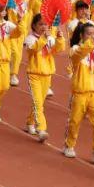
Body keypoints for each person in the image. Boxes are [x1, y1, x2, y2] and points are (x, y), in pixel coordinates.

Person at [65, 22, 94, 163]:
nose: (92, 36)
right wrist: (90, 43)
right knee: (75, 121)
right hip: (80, 92)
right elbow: (79, 54)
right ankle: (69, 145)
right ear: (81, 35)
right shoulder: (75, 49)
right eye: (89, 34)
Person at [24, 14, 62, 142]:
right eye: (40, 24)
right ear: (34, 25)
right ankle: (41, 129)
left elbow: (57, 50)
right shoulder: (30, 38)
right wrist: (43, 39)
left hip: (47, 74)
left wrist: (60, 38)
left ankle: (30, 122)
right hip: (34, 74)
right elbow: (33, 49)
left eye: (45, 24)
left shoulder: (50, 38)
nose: (43, 27)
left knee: (39, 102)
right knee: (38, 103)